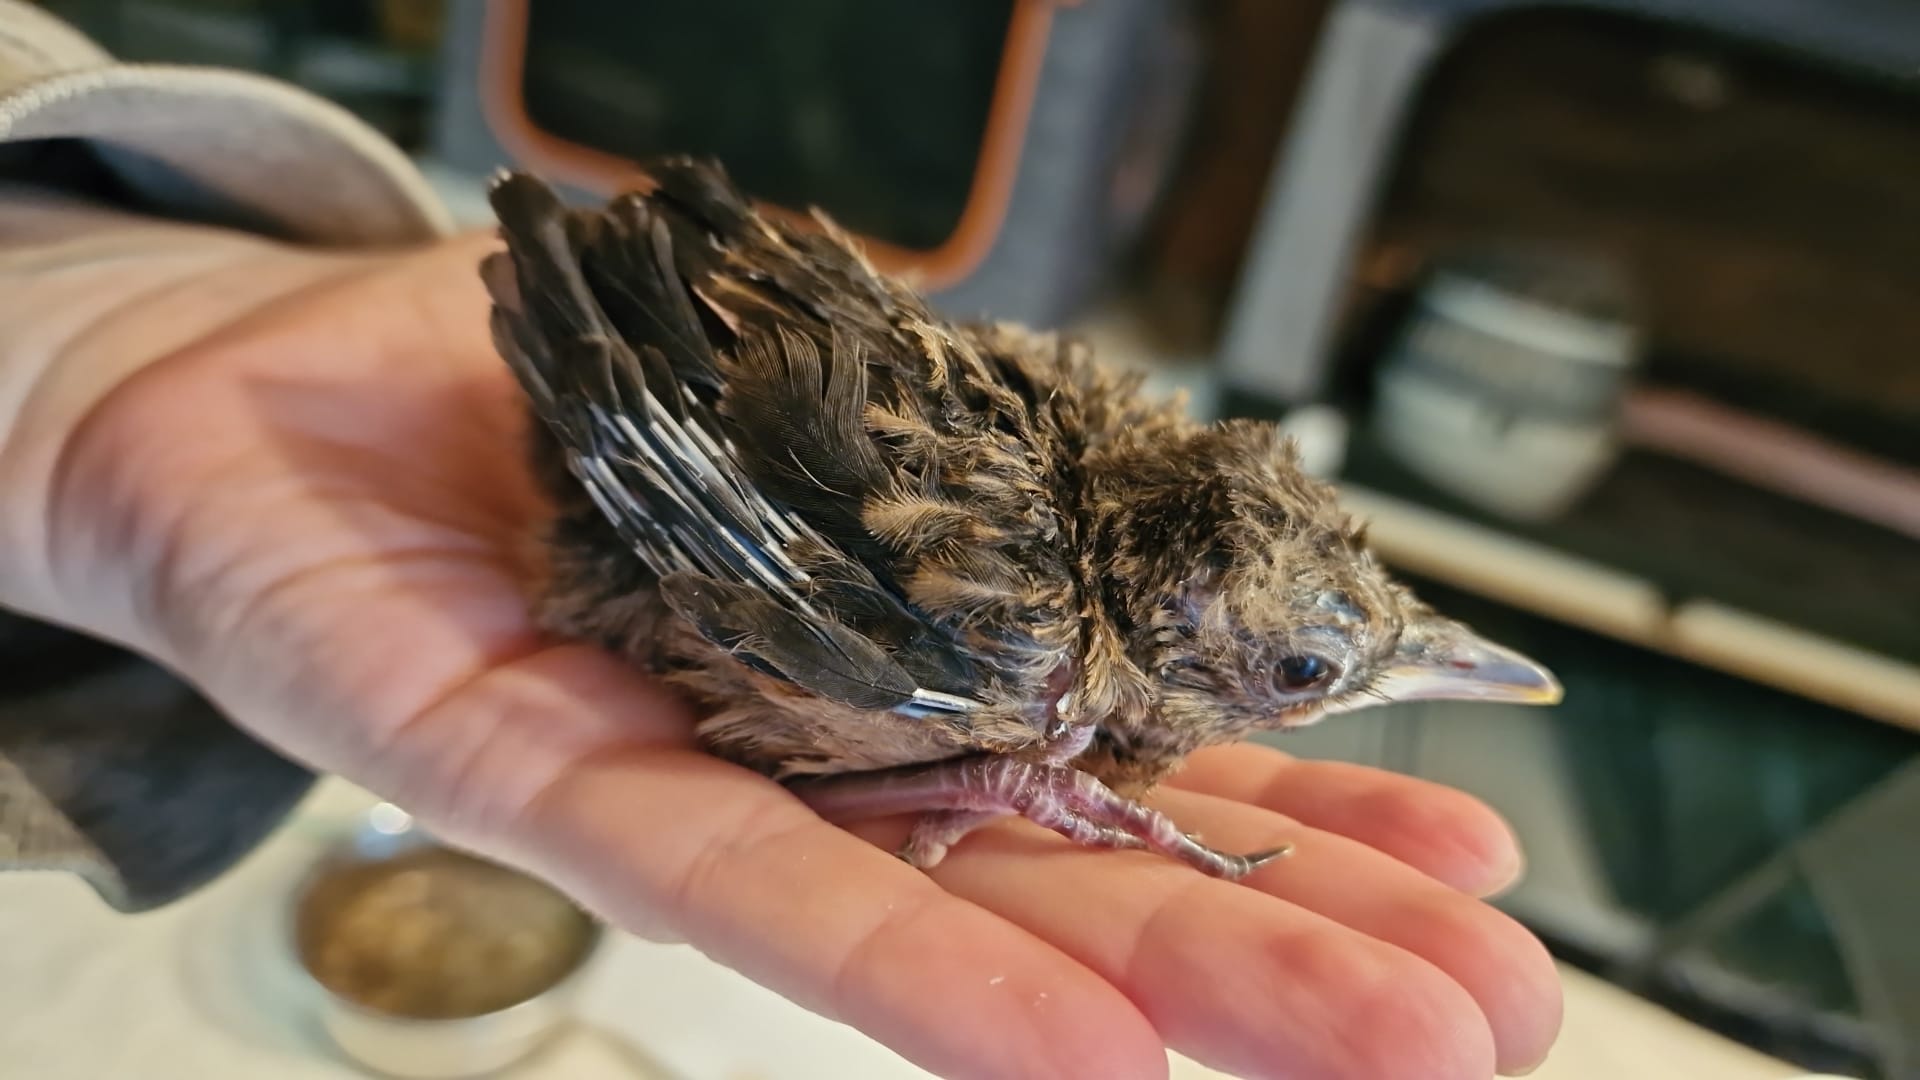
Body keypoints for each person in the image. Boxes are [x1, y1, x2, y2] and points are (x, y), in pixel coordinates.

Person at [0, 4, 1560, 1077]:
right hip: (628, 494)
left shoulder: (1115, 451)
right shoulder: (1018, 640)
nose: (1366, 675)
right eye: (1300, 673)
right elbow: (681, 499)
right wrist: (993, 768)